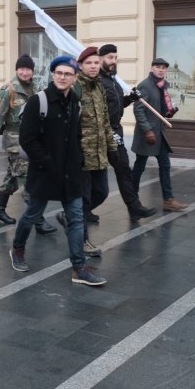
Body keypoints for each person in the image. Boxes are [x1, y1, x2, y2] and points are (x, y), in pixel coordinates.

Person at [10, 56, 106, 286]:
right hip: (44, 173)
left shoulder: (75, 101)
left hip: (71, 174)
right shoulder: (38, 102)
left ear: (74, 78)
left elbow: (76, 136)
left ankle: (78, 268)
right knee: (33, 214)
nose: (62, 77)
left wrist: (79, 161)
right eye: (59, 73)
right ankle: (17, 249)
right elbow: (28, 139)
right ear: (53, 74)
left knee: (75, 219)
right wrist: (47, 162)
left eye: (68, 74)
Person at [0, 54, 56, 235]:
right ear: (17, 70)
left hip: (31, 141)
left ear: (32, 71)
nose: (25, 72)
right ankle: (38, 220)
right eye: (22, 69)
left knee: (12, 176)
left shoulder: (36, 89)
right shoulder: (7, 91)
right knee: (28, 181)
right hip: (16, 144)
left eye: (28, 69)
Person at [57, 46, 118, 257]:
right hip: (80, 155)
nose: (93, 66)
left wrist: (112, 147)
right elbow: (63, 122)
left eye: (95, 62)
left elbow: (106, 121)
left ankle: (68, 216)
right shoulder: (75, 88)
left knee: (101, 192)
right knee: (82, 200)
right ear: (81, 66)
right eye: (88, 63)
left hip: (99, 153)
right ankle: (82, 241)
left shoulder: (99, 87)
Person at [97, 44, 156, 221]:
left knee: (123, 170)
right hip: (102, 134)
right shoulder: (97, 81)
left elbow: (116, 105)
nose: (113, 61)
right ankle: (79, 211)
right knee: (94, 177)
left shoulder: (113, 80)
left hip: (116, 132)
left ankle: (134, 207)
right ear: (100, 59)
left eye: (115, 58)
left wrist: (130, 98)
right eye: (109, 58)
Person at [131, 57, 187, 212]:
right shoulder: (145, 85)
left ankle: (168, 200)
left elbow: (162, 112)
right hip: (147, 135)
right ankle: (132, 199)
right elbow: (138, 109)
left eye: (163, 68)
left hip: (160, 134)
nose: (161, 70)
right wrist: (147, 130)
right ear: (152, 68)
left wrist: (170, 112)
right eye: (158, 67)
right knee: (139, 167)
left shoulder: (163, 86)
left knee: (165, 165)